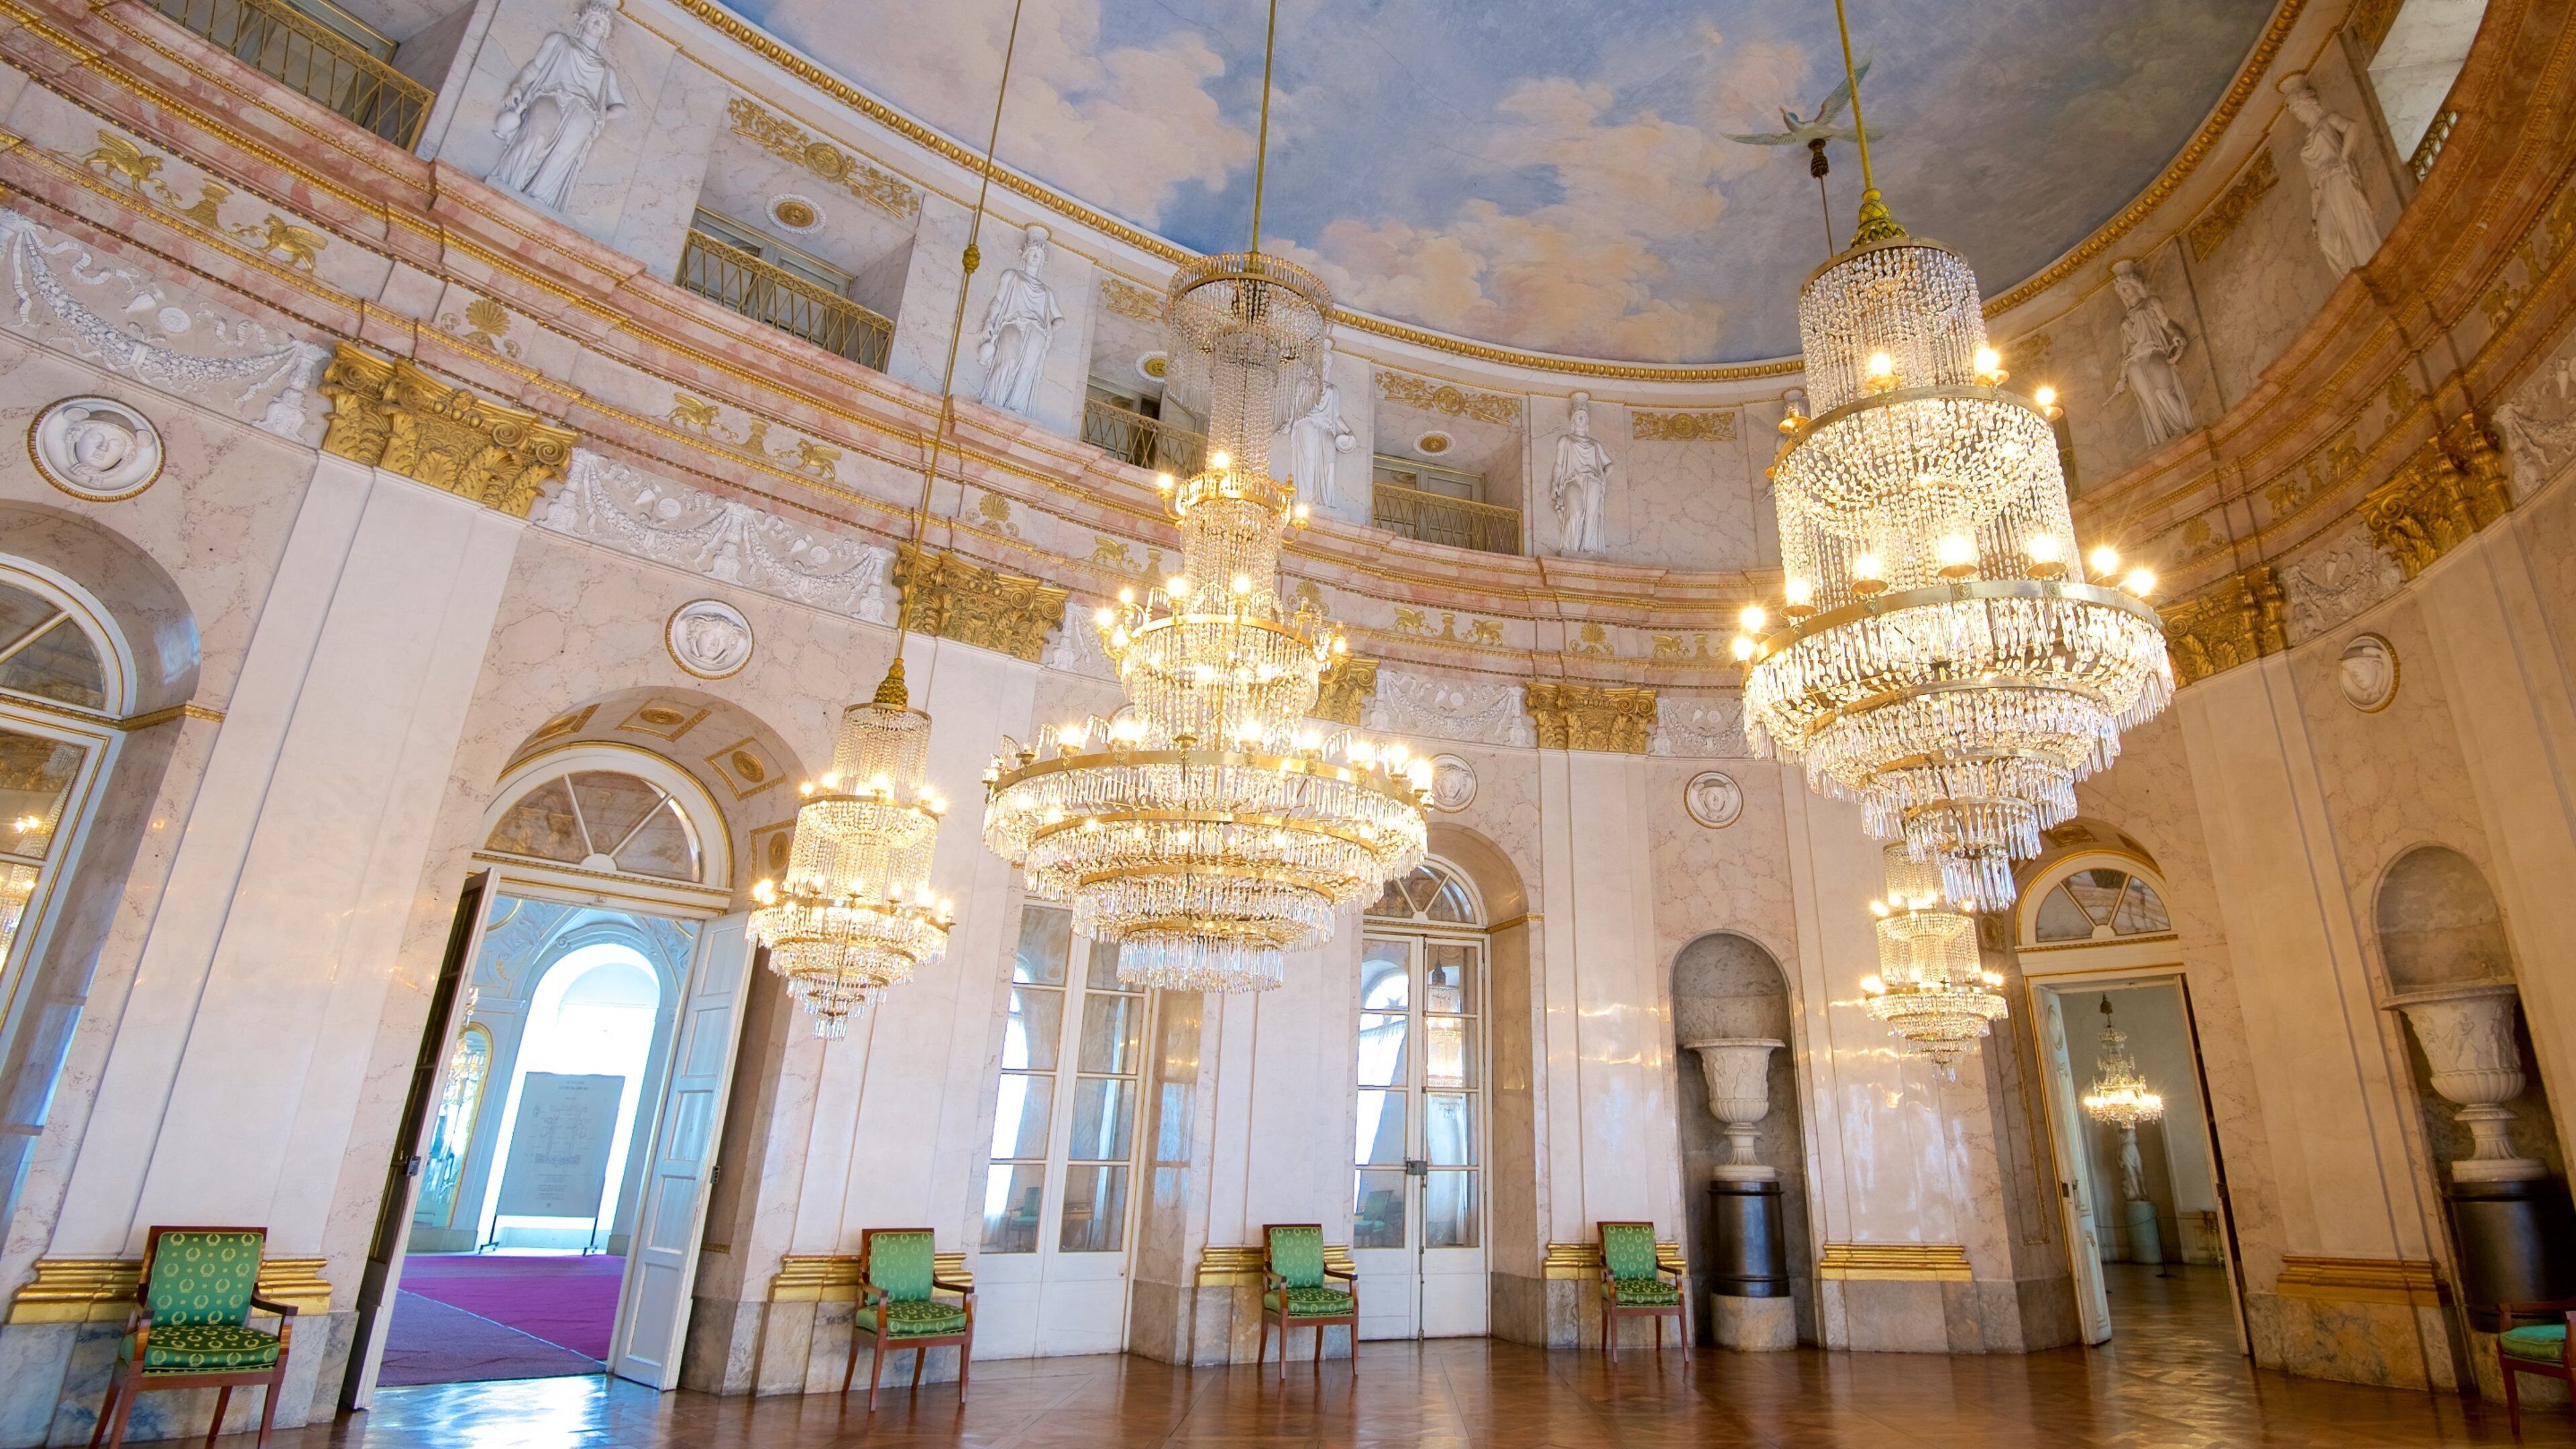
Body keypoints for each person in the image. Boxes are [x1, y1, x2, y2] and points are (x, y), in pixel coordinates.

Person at [490, 0, 628, 211]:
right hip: (553, 96)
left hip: (585, 111)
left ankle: (540, 199)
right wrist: (517, 86)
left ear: (606, 32)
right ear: (583, 20)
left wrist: (601, 116)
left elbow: (621, 106)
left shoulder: (606, 69)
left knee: (563, 155)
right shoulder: (560, 41)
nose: (597, 24)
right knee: (538, 135)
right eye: (594, 18)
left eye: (602, 22)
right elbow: (535, 67)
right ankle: (508, 182)